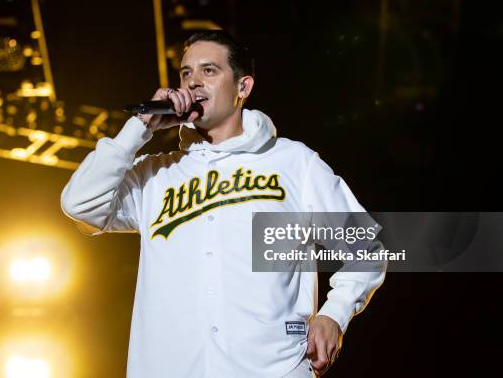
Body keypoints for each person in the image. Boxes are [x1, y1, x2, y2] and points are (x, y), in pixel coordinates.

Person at [61, 30, 386, 378]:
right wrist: (139, 129)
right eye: (186, 73)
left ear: (243, 88)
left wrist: (334, 314)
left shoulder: (293, 162)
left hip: (273, 369)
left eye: (209, 71)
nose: (193, 83)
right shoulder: (156, 173)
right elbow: (80, 204)